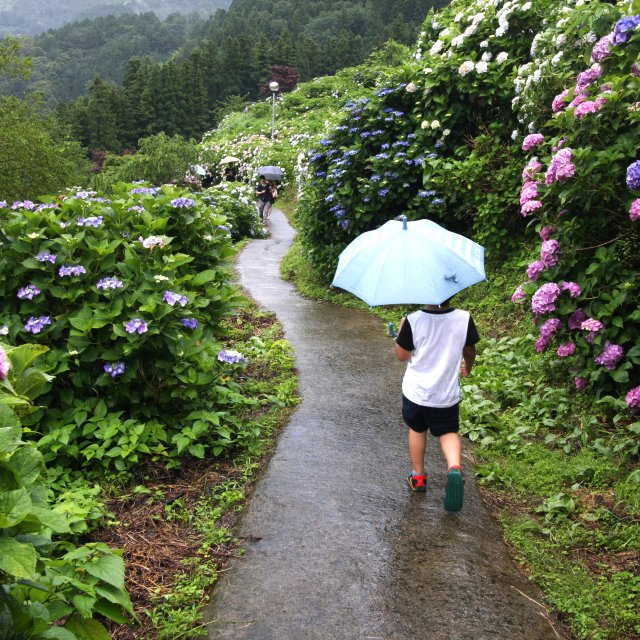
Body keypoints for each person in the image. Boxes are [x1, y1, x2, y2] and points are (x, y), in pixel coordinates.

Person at [395, 297, 479, 512]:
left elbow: (402, 356)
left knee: (417, 429)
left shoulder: (413, 320)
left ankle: (419, 477)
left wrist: (402, 331)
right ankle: (454, 468)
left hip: (417, 393)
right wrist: (468, 366)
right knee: (448, 431)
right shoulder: (464, 318)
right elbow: (469, 350)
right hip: (446, 395)